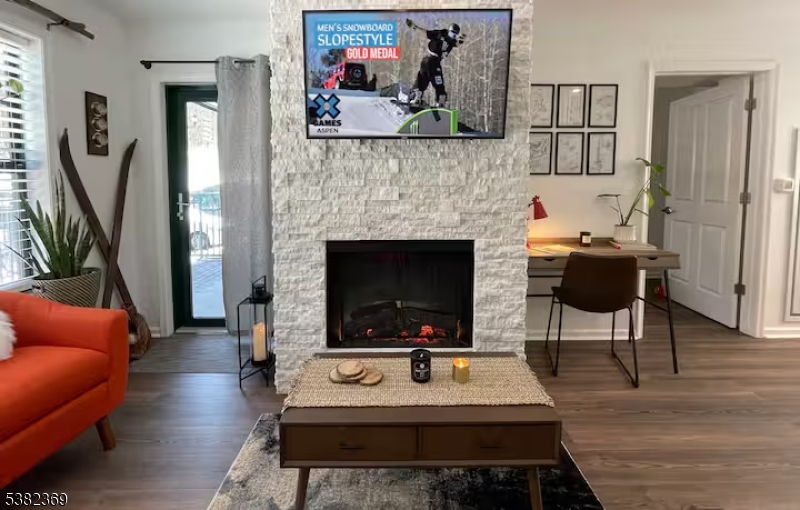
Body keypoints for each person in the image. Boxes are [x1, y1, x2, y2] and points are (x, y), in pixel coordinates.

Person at [406, 19, 465, 107]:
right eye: (452, 32)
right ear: (449, 30)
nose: (453, 35)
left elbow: (457, 43)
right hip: (431, 61)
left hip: (429, 61)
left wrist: (462, 38)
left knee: (424, 79)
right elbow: (426, 33)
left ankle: (417, 96)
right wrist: (415, 27)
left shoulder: (452, 40)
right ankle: (437, 100)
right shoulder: (441, 33)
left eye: (455, 34)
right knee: (436, 82)